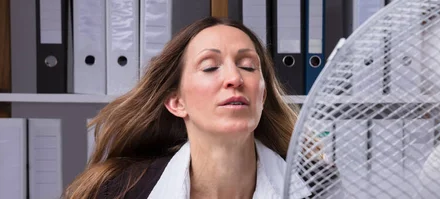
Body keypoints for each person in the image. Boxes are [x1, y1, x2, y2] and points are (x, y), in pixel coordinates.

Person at [63, 17, 312, 199]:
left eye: (248, 66)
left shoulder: (320, 190)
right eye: (210, 67)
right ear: (176, 102)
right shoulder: (117, 192)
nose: (235, 78)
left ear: (263, 95)